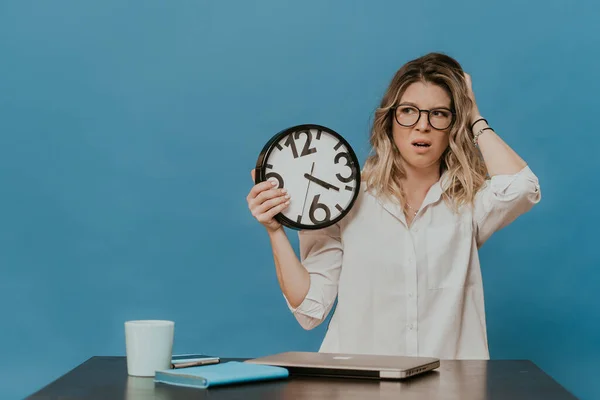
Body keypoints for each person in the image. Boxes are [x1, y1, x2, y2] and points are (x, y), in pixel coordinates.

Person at [246, 52, 541, 360]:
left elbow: (523, 188)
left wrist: (475, 117)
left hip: (448, 388)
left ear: (454, 125)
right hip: (357, 388)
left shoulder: (469, 201)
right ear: (389, 120)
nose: (422, 126)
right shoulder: (345, 197)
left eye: (439, 114)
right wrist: (274, 230)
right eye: (409, 111)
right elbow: (310, 308)